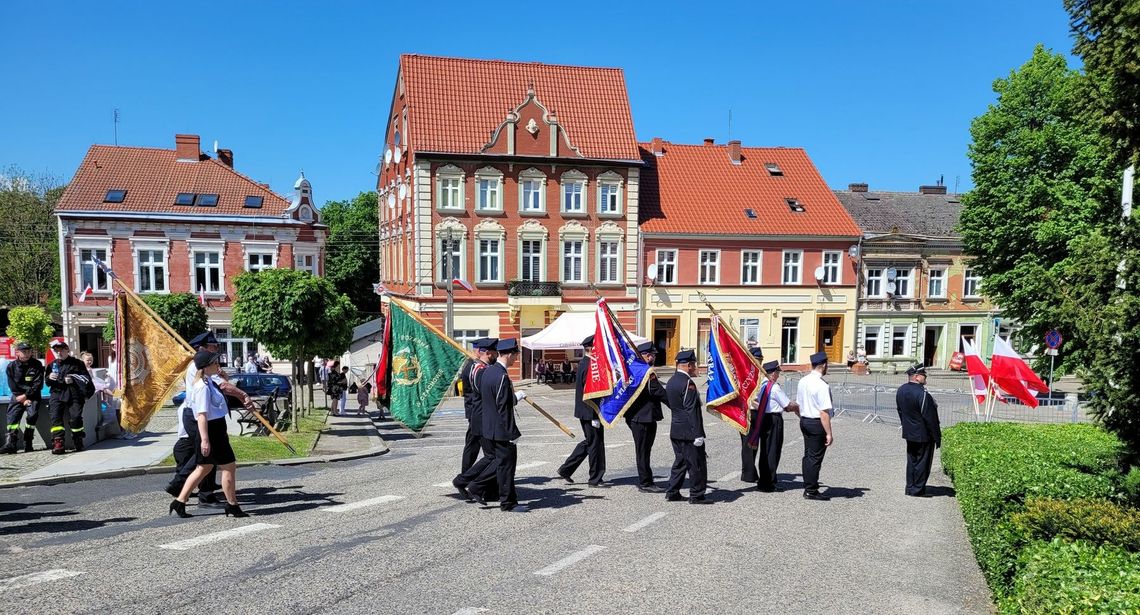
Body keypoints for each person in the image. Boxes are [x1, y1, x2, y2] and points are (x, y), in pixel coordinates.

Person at [165, 331, 256, 504]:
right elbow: (223, 387)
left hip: (208, 418)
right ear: (202, 350)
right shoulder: (200, 368)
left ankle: (182, 490)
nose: (216, 350)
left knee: (205, 458)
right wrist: (243, 396)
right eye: (212, 348)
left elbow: (221, 385)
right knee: (206, 455)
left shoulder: (206, 368)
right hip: (198, 417)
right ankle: (202, 495)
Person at [475, 338, 525, 512]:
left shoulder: (488, 371)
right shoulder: (502, 376)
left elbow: (493, 400)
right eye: (515, 356)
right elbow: (503, 408)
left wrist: (515, 397)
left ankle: (477, 487)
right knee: (507, 467)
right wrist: (513, 433)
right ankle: (508, 503)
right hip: (502, 430)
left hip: (490, 427)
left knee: (500, 463)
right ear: (510, 355)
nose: (515, 360)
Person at [557, 335, 608, 487]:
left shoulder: (587, 363)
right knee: (595, 445)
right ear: (591, 348)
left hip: (588, 411)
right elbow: (589, 393)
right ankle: (595, 478)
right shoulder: (589, 366)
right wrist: (594, 415)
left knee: (590, 442)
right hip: (590, 412)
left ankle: (566, 469)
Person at [453, 338, 499, 501]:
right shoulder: (475, 368)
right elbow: (473, 394)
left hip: (477, 414)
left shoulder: (478, 366)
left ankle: (469, 480)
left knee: (473, 450)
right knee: (485, 453)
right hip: (478, 414)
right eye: (493, 351)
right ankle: (465, 480)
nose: (496, 354)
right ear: (483, 351)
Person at [665, 349, 709, 504]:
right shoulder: (688, 383)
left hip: (676, 428)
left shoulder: (671, 381)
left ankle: (672, 491)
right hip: (688, 431)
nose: (695, 367)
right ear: (689, 365)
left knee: (680, 462)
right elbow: (691, 410)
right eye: (694, 364)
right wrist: (697, 433)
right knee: (696, 463)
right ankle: (697, 495)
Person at [748, 360, 798, 492]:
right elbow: (787, 405)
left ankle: (764, 480)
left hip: (763, 418)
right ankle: (768, 482)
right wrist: (799, 406)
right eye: (777, 372)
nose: (778, 375)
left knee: (765, 450)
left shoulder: (762, 386)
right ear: (773, 373)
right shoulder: (774, 388)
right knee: (773, 451)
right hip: (774, 420)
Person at [626, 342, 667, 492]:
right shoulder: (644, 372)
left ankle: (647, 479)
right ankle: (645, 483)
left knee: (645, 451)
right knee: (643, 451)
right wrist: (678, 406)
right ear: (643, 355)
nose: (653, 357)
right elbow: (659, 392)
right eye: (650, 355)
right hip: (642, 419)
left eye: (653, 355)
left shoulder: (635, 370)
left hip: (642, 418)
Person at [896, 363, 941, 497]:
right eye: (923, 375)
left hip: (909, 432)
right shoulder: (922, 394)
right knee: (923, 463)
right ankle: (917, 490)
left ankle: (910, 487)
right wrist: (937, 437)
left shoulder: (901, 390)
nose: (925, 377)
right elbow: (930, 418)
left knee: (912, 461)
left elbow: (900, 411)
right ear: (916, 377)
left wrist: (907, 425)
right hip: (924, 434)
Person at [797, 351, 835, 501]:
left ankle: (809, 484)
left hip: (805, 419)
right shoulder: (821, 385)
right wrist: (829, 433)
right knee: (815, 458)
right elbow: (824, 412)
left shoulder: (803, 381)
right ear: (824, 365)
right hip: (816, 422)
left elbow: (799, 404)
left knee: (808, 455)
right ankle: (811, 489)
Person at [45, 340, 94, 454]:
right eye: (56, 350)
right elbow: (47, 382)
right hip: (57, 393)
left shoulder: (77, 363)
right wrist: (49, 377)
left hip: (73, 393)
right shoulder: (52, 365)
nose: (59, 353)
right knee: (55, 418)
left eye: (61, 350)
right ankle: (58, 443)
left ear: (67, 350)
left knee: (76, 417)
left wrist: (73, 379)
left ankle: (78, 440)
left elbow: (85, 379)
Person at [2, 342, 45, 454]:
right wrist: (21, 397)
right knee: (12, 417)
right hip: (17, 395)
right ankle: (11, 443)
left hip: (32, 396)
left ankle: (28, 442)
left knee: (32, 416)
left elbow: (38, 384)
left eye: (28, 351)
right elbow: (12, 385)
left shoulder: (37, 365)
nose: (26, 353)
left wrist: (26, 396)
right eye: (23, 351)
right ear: (17, 352)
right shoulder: (11, 366)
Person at [740, 347, 766, 484]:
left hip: (746, 412)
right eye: (758, 360)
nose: (760, 362)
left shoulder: (752, 374)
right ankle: (749, 473)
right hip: (752, 412)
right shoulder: (753, 376)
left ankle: (747, 471)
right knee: (749, 443)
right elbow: (755, 399)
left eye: (761, 360)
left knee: (749, 444)